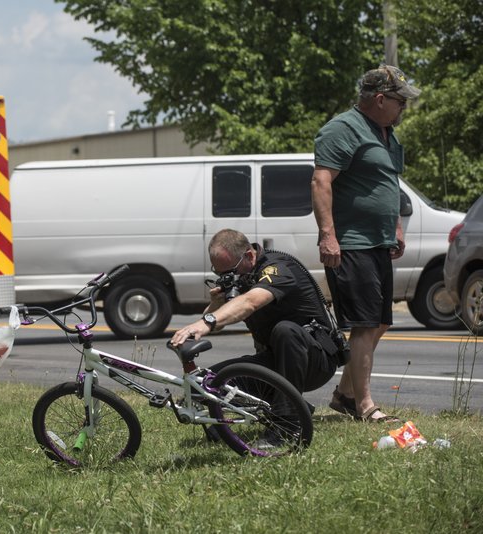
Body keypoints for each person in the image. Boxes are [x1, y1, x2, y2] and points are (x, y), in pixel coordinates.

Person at [311, 64, 420, 423]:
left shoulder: (387, 133)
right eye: (399, 101)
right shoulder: (343, 129)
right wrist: (328, 235)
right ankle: (365, 406)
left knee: (380, 321)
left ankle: (345, 394)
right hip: (352, 242)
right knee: (364, 323)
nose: (403, 107)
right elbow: (321, 181)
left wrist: (397, 228)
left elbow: (387, 185)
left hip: (379, 241)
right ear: (379, 98)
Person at [170, 229, 344, 399]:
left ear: (250, 256)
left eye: (230, 271)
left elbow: (250, 302)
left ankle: (287, 419)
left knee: (286, 330)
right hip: (272, 359)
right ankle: (268, 407)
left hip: (314, 361)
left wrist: (207, 321)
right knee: (202, 387)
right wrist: (216, 304)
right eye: (218, 272)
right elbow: (217, 324)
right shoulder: (241, 275)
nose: (226, 277)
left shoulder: (278, 268)